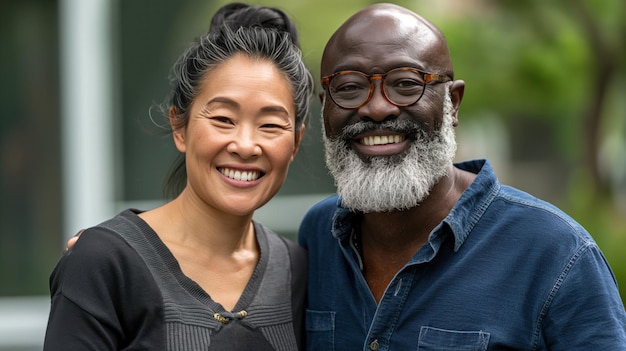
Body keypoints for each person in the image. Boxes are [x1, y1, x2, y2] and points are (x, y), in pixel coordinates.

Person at [298, 3, 626, 350]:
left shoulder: (557, 254)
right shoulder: (318, 238)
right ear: (326, 107)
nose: (377, 108)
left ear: (452, 103)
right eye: (348, 88)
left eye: (406, 84)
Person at [44, 3, 313, 350]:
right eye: (223, 119)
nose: (246, 146)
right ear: (179, 126)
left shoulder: (299, 272)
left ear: (295, 142)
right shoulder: (106, 264)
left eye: (271, 125)